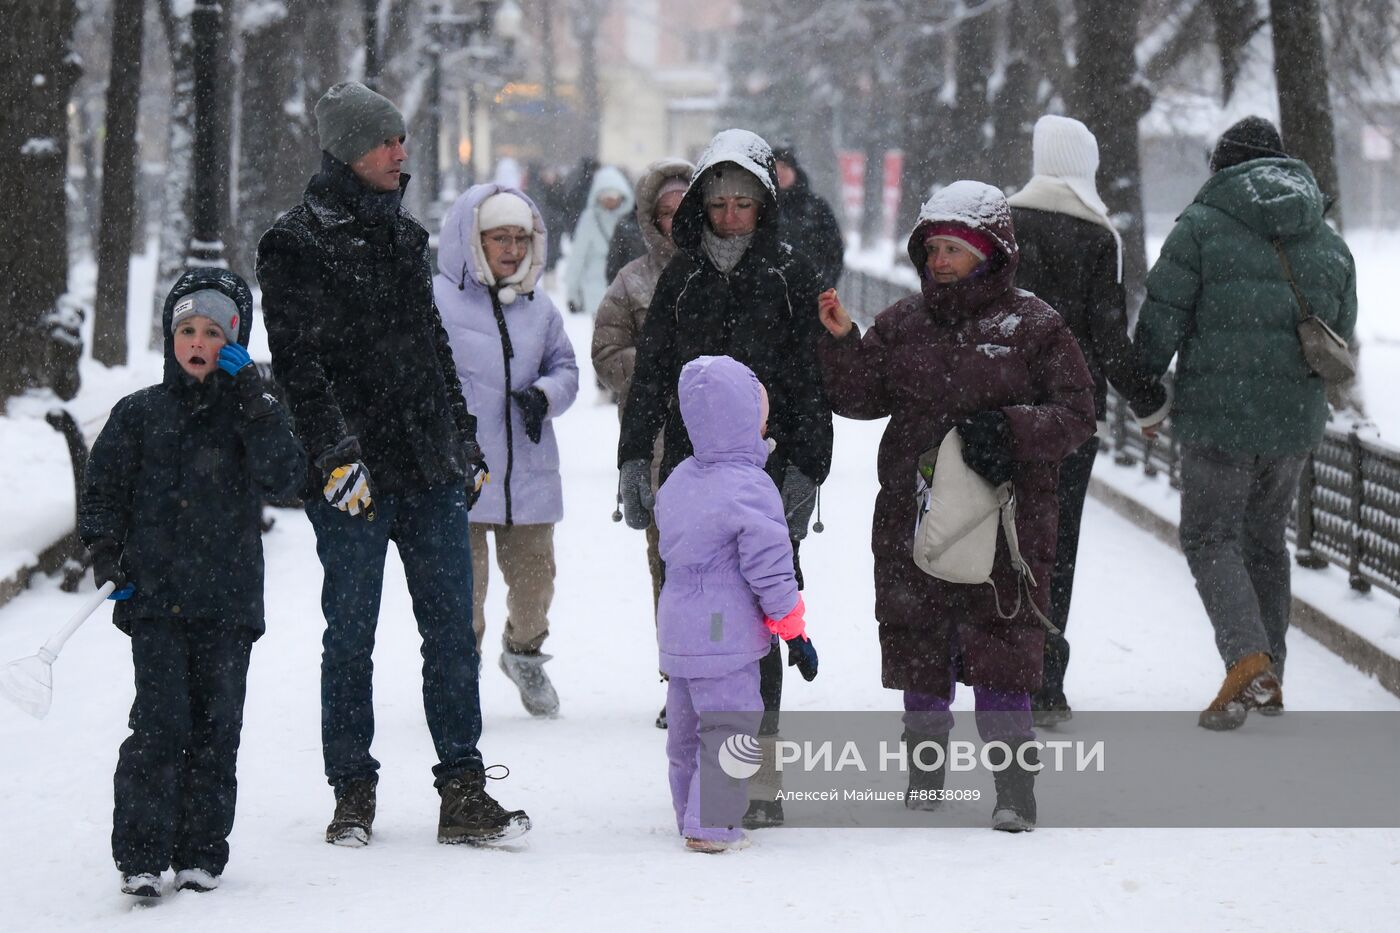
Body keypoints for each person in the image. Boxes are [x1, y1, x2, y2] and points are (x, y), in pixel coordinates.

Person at [256, 80, 530, 847]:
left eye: (402, 139)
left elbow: (432, 347)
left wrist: (463, 436)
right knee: (351, 632)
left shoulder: (405, 237)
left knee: (449, 629)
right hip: (353, 479)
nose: (400, 152)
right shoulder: (294, 241)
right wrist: (336, 454)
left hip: (428, 464)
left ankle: (463, 788)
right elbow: (298, 365)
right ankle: (352, 789)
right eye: (386, 141)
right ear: (348, 149)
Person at [817, 181, 1095, 832]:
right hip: (914, 514)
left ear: (990, 252)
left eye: (953, 249)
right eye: (932, 248)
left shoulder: (1034, 326)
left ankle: (1013, 789)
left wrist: (1010, 430)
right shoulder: (903, 321)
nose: (939, 261)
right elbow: (861, 395)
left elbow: (1078, 413)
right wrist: (840, 340)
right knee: (919, 644)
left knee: (1003, 651)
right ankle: (925, 772)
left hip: (1005, 521)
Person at [617, 128, 832, 828]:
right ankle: (700, 755)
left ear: (764, 203)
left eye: (744, 202)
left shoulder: (790, 274)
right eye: (719, 203)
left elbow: (811, 377)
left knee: (766, 617)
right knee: (698, 609)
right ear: (701, 206)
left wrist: (808, 466)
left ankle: (753, 770)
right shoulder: (682, 278)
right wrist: (631, 458)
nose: (731, 216)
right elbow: (649, 373)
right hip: (692, 471)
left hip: (772, 471)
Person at [79, 269, 305, 899]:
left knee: (216, 727)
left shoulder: (249, 417)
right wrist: (106, 549)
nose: (198, 341)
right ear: (169, 338)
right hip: (155, 601)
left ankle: (201, 850)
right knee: (160, 725)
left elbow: (287, 479)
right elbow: (104, 491)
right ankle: (143, 854)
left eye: (213, 331)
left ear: (234, 342)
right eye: (187, 330)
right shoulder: (139, 415)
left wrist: (256, 401)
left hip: (228, 604)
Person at [1131, 116, 1357, 731]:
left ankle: (1248, 663)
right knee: (1264, 540)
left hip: (1218, 419)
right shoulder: (1328, 240)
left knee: (1209, 536)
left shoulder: (1199, 229)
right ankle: (1270, 671)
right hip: (1293, 425)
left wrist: (1142, 391)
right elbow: (1342, 326)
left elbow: (1160, 323)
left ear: (1221, 167)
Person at [1007, 114, 1167, 725]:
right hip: (1071, 423)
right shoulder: (1098, 237)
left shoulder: (1005, 225)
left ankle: (997, 669)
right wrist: (1148, 401)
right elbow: (1107, 335)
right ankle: (1045, 681)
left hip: (1003, 413)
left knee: (999, 538)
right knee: (1056, 546)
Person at [655, 354, 818, 854]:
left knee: (685, 734)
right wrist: (795, 631)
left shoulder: (680, 477)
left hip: (679, 631)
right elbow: (771, 570)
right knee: (732, 725)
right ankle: (713, 824)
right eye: (759, 414)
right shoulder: (750, 487)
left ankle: (690, 812)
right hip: (725, 634)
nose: (765, 423)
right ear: (745, 420)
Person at [435, 183, 579, 718]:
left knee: (534, 586)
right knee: (462, 592)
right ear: (474, 239)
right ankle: (460, 672)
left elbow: (566, 369)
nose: (513, 249)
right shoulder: (438, 302)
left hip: (530, 471)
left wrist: (545, 396)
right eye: (501, 237)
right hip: (462, 472)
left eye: (521, 238)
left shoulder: (540, 309)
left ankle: (523, 654)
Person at [592, 157, 694, 728]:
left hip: (725, 445)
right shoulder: (632, 280)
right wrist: (661, 370)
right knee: (669, 565)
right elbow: (606, 354)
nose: (678, 222)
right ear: (651, 219)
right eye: (666, 213)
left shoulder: (729, 270)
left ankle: (725, 670)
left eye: (687, 210)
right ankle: (678, 677)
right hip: (657, 445)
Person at [772, 143, 845, 290]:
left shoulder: (817, 207)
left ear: (795, 171)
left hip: (808, 295)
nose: (779, 173)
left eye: (784, 167)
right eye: (774, 168)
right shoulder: (757, 206)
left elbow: (834, 251)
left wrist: (823, 286)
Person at [564, 165, 634, 315]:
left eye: (613, 197)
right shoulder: (590, 219)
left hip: (626, 290)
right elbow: (578, 255)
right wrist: (572, 291)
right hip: (597, 291)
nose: (609, 202)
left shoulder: (630, 220)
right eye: (605, 197)